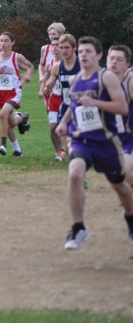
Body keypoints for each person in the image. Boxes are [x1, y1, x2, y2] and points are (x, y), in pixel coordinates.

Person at [55, 36, 133, 250]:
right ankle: (79, 227)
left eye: (88, 51)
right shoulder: (77, 79)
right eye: (81, 52)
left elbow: (122, 108)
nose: (83, 55)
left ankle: (130, 218)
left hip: (107, 142)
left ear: (98, 55)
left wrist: (96, 102)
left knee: (121, 186)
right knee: (74, 174)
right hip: (82, 139)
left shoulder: (106, 78)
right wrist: (63, 124)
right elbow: (74, 106)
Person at [0, 31, 34, 156]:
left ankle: (3, 145)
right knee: (10, 123)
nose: (3, 43)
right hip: (0, 93)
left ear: (12, 42)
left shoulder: (16, 57)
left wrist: (27, 76)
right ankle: (18, 148)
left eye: (6, 41)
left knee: (2, 115)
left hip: (13, 92)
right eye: (1, 41)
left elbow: (30, 66)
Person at [43, 35, 80, 161]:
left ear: (74, 48)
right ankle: (73, 162)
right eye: (61, 47)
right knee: (64, 136)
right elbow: (50, 85)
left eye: (67, 48)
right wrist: (47, 87)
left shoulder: (82, 65)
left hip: (81, 106)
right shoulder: (57, 66)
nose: (63, 51)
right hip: (65, 106)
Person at [106, 45, 133, 186]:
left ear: (127, 64)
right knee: (116, 175)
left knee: (119, 171)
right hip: (113, 138)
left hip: (130, 137)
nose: (114, 62)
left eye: (119, 59)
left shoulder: (130, 81)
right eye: (111, 58)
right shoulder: (100, 80)